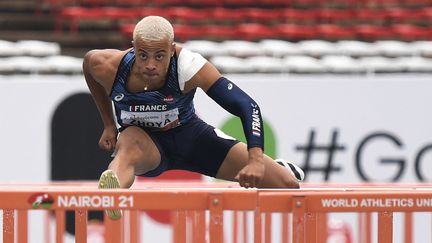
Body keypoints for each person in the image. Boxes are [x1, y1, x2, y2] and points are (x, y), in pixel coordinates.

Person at [83, 16, 304, 220]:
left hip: (192, 139)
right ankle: (112, 194)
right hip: (145, 144)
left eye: (159, 56)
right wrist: (109, 124)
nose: (150, 65)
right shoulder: (108, 65)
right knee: (128, 143)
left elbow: (247, 105)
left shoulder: (189, 66)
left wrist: (255, 159)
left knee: (288, 185)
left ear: (171, 50)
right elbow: (88, 66)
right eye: (143, 55)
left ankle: (279, 167)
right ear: (133, 47)